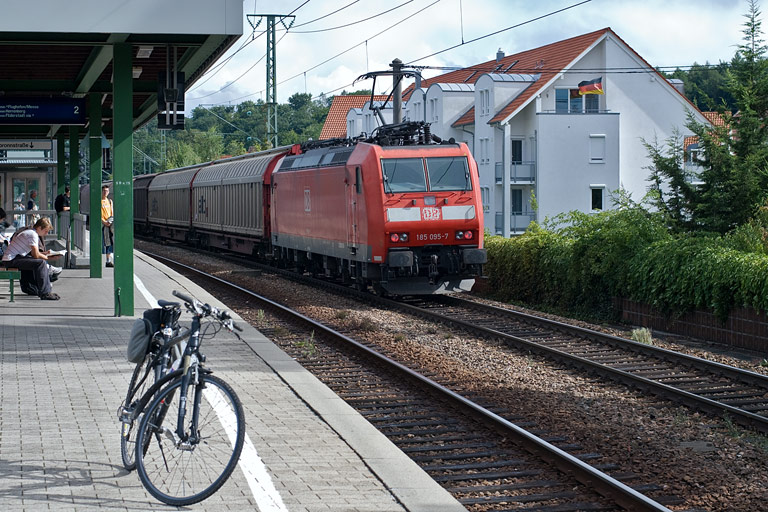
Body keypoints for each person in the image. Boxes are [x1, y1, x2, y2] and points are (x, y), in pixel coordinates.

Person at [1, 217, 61, 300]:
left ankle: (43, 290)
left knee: (39, 262)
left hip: (14, 258)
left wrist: (47, 254)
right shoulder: (33, 235)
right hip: (10, 260)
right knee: (41, 263)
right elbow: (35, 255)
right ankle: (45, 293)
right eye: (45, 231)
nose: (46, 233)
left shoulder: (31, 232)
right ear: (39, 228)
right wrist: (48, 258)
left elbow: (34, 254)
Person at [101, 184, 114, 267]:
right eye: (104, 191)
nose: (105, 192)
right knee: (105, 242)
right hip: (103, 224)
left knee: (109, 242)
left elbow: (112, 212)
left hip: (110, 223)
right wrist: (104, 222)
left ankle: (108, 261)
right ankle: (107, 261)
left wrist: (110, 221)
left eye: (107, 191)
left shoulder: (110, 201)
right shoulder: (99, 201)